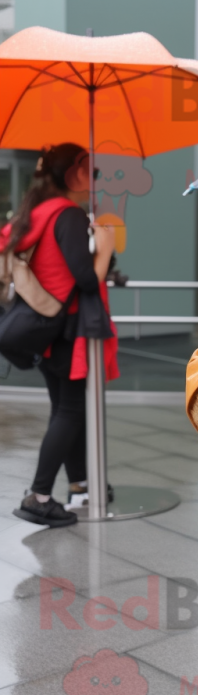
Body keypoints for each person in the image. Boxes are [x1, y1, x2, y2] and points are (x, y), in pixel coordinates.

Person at [0, 143, 118, 526]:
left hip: (43, 328)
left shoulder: (36, 211)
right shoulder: (66, 214)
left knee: (65, 410)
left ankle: (82, 485)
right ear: (73, 174)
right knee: (70, 411)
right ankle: (39, 495)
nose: (95, 179)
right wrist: (105, 248)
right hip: (67, 329)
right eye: (92, 171)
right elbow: (85, 279)